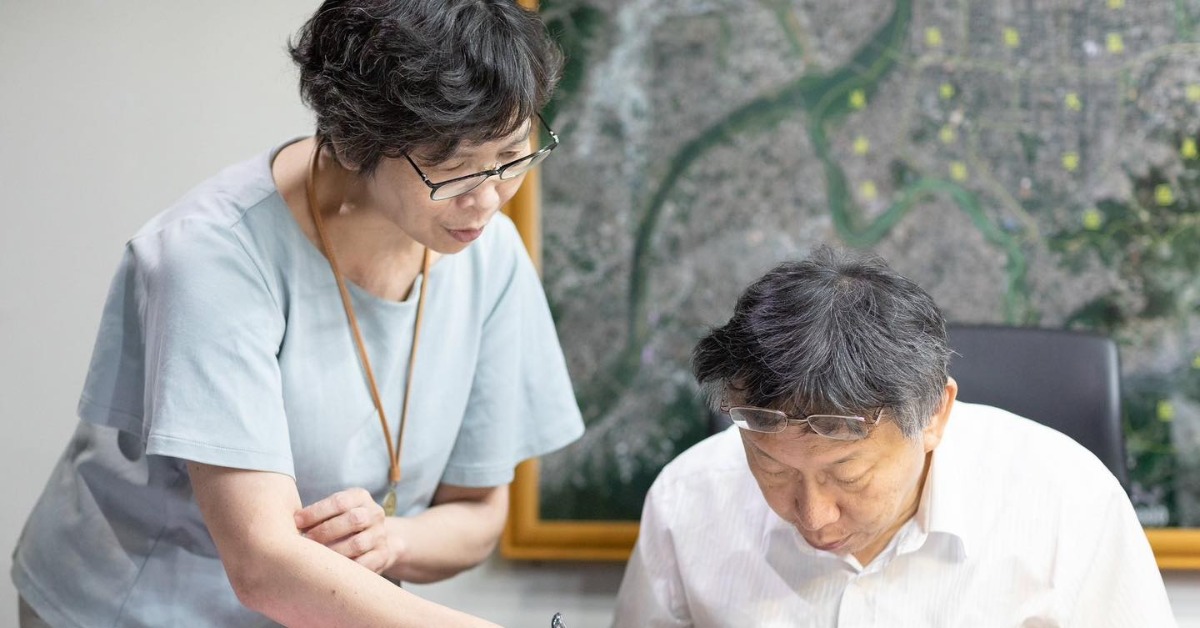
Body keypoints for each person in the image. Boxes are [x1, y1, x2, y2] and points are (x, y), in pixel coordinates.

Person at [11, 1, 582, 626]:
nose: (489, 198)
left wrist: (391, 539)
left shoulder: (487, 252)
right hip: (135, 606)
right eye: (452, 171)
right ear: (355, 140)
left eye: (512, 155)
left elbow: (478, 512)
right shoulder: (212, 256)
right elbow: (264, 565)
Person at [612, 246, 1174, 627]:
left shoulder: (1071, 502)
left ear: (934, 415)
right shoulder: (687, 498)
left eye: (848, 475)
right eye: (774, 469)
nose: (813, 516)